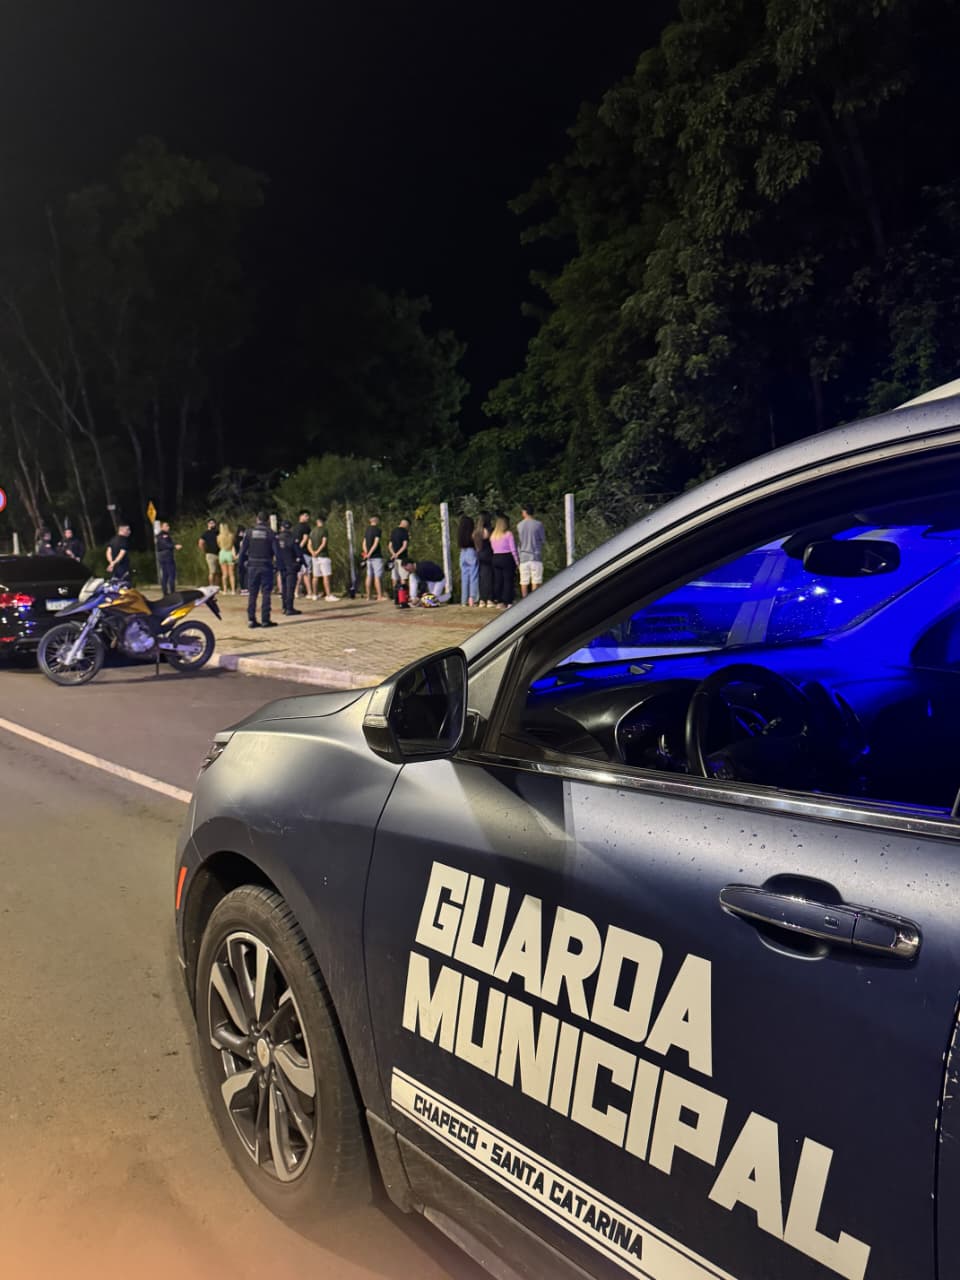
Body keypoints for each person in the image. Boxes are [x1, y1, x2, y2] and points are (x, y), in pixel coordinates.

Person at [238, 512, 279, 629]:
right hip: (266, 565)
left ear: (257, 519)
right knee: (266, 593)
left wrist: (240, 565)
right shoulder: (270, 533)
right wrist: (278, 566)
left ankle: (251, 619)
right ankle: (265, 620)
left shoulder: (249, 533)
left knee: (253, 593)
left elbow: (242, 551)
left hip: (252, 565)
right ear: (267, 521)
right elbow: (277, 552)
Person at [517, 503, 546, 597]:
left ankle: (524, 600)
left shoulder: (519, 525)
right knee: (536, 580)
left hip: (523, 556)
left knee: (524, 581)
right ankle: (535, 600)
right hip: (535, 555)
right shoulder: (538, 524)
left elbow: (520, 541)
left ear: (525, 512)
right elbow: (543, 540)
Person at [490, 514, 519, 607]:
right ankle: (508, 600)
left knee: (498, 580)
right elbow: (513, 549)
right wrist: (517, 561)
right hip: (506, 557)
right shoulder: (508, 534)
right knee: (508, 580)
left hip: (496, 557)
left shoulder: (493, 535)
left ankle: (499, 600)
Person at [277, 520, 303, 616]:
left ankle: (284, 607)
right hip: (291, 565)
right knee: (290, 587)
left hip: (281, 565)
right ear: (290, 528)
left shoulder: (278, 538)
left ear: (282, 528)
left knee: (284, 587)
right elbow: (298, 552)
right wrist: (300, 562)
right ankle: (289, 608)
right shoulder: (293, 538)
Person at [309, 516, 338, 601]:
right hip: (323, 555)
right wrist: (318, 551)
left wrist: (313, 552)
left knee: (315, 576)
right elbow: (323, 543)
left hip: (314, 557)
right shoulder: (324, 530)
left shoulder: (312, 531)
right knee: (326, 576)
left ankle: (314, 594)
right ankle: (328, 595)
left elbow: (309, 544)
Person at [362, 515, 385, 601]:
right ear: (377, 520)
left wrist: (366, 553)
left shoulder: (367, 530)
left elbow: (364, 543)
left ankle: (368, 596)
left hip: (368, 557)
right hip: (376, 556)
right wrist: (370, 553)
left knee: (369, 575)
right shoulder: (377, 530)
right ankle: (379, 596)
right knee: (377, 576)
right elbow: (376, 543)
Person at [388, 518, 411, 602]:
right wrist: (398, 554)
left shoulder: (393, 531)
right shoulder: (404, 532)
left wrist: (393, 554)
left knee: (394, 577)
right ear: (406, 524)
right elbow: (405, 545)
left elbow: (389, 545)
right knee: (403, 577)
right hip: (402, 558)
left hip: (394, 558)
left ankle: (396, 597)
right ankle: (404, 597)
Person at [474, 512, 494, 608]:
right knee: (489, 578)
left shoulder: (476, 532)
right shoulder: (490, 531)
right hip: (489, 555)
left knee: (481, 578)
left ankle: (482, 599)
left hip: (480, 554)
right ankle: (489, 599)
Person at [458, 515, 479, 606]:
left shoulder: (460, 534)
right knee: (473, 575)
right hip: (471, 551)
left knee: (464, 577)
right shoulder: (472, 533)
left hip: (462, 552)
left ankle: (464, 600)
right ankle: (473, 598)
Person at [156, 522, 182, 595]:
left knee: (165, 574)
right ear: (162, 527)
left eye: (168, 526)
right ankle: (172, 592)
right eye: (166, 526)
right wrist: (174, 546)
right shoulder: (164, 535)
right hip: (167, 555)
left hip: (161, 555)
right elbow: (165, 544)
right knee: (171, 573)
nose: (168, 527)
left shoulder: (159, 535)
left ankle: (165, 592)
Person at [296, 510, 312, 598]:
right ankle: (309, 592)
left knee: (299, 573)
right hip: (304, 552)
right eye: (306, 516)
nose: (307, 518)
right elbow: (305, 538)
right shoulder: (306, 527)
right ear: (301, 516)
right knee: (306, 573)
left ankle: (296, 591)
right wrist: (300, 548)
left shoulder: (295, 527)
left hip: (298, 553)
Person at [198, 518, 219, 586]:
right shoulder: (206, 533)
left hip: (218, 554)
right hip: (210, 554)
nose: (212, 524)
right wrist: (204, 551)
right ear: (208, 524)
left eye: (213, 523)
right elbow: (200, 543)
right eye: (211, 523)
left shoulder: (218, 532)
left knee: (217, 572)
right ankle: (211, 586)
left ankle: (216, 587)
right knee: (212, 571)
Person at [218, 522, 237, 594]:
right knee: (231, 574)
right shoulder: (231, 536)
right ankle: (233, 590)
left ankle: (225, 590)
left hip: (222, 553)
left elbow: (219, 545)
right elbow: (232, 544)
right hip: (229, 553)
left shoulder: (219, 537)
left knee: (224, 574)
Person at [236, 525, 248, 593]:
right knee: (241, 572)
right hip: (240, 557)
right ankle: (242, 587)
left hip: (246, 557)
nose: (241, 533)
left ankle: (246, 587)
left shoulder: (246, 539)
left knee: (246, 572)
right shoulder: (237, 539)